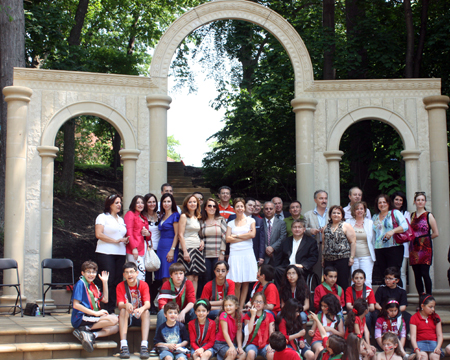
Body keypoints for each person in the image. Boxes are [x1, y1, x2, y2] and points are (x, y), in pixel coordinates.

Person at [71, 261, 119, 353]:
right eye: (88, 272)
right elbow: (76, 305)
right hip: (82, 318)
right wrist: (95, 313)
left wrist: (105, 282)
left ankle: (92, 335)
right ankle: (84, 329)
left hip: (91, 318)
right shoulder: (81, 284)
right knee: (114, 319)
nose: (91, 274)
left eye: (93, 272)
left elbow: (105, 299)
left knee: (115, 328)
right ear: (82, 273)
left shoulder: (93, 286)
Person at [95, 194, 128, 314]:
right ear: (110, 204)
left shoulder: (121, 219)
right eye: (116, 203)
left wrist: (125, 240)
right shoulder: (102, 217)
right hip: (106, 252)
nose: (119, 205)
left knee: (117, 280)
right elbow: (99, 234)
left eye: (120, 203)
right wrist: (115, 241)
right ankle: (105, 307)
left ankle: (113, 307)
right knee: (108, 280)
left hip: (120, 253)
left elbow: (121, 236)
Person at [226, 198, 257, 309]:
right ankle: (235, 305)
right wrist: (245, 236)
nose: (240, 208)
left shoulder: (251, 220)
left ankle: (240, 307)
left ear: (244, 207)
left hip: (247, 252)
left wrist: (236, 236)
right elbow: (227, 239)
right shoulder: (230, 223)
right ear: (234, 208)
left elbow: (252, 235)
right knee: (237, 283)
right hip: (235, 254)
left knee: (245, 282)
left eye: (241, 206)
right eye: (237, 206)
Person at [116, 262, 151, 359]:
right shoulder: (120, 286)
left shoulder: (143, 285)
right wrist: (125, 304)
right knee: (122, 310)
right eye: (126, 272)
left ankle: (144, 345)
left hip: (139, 315)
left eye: (131, 272)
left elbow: (148, 304)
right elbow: (119, 305)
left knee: (146, 312)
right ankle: (123, 345)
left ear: (137, 273)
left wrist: (141, 308)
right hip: (128, 317)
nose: (129, 275)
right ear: (123, 275)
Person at [372, 194, 408, 287]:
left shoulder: (395, 213)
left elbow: (405, 226)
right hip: (379, 249)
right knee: (384, 275)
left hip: (394, 248)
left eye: (384, 202)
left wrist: (393, 231)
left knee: (394, 274)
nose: (382, 204)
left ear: (388, 203)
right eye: (380, 202)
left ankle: (398, 297)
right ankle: (387, 298)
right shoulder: (375, 217)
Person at [410, 192, 439, 296]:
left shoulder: (428, 215)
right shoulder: (412, 215)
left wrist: (425, 239)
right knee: (417, 275)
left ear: (425, 202)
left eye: (422, 200)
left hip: (425, 248)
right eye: (418, 200)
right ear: (414, 202)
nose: (420, 202)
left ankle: (429, 298)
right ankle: (421, 299)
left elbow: (436, 233)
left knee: (425, 273)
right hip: (414, 248)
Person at [322, 205, 356, 291]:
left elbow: (353, 242)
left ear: (342, 215)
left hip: (342, 259)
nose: (336, 215)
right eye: (334, 213)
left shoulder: (346, 226)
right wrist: (323, 259)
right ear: (330, 215)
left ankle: (343, 303)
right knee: (328, 283)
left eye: (338, 213)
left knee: (342, 282)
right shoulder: (326, 227)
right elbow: (323, 244)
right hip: (328, 259)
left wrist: (351, 257)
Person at [369, 267, 410, 335]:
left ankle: (402, 337)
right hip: (383, 311)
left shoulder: (402, 291)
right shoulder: (381, 289)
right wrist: (384, 310)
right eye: (386, 278)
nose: (387, 280)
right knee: (374, 315)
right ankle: (379, 336)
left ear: (397, 280)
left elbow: (403, 306)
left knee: (408, 317)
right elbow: (376, 303)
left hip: (396, 311)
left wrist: (393, 311)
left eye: (390, 278)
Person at [178, 194, 205, 293]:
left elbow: (197, 233)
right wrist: (185, 251)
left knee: (195, 278)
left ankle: (193, 302)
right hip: (187, 248)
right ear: (186, 204)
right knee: (189, 277)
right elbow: (180, 235)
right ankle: (187, 301)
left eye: (194, 202)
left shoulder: (197, 216)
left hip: (196, 248)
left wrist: (201, 241)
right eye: (190, 202)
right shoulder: (184, 216)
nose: (192, 204)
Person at [156, 263, 196, 331]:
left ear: (184, 274)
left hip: (184, 314)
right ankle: (159, 339)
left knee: (194, 311)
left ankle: (194, 338)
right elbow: (162, 304)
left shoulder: (188, 283)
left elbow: (192, 302)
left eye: (181, 273)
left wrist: (183, 312)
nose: (178, 276)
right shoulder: (166, 284)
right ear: (171, 275)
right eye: (176, 274)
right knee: (161, 313)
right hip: (170, 314)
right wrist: (173, 314)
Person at [345, 201, 376, 287]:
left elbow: (373, 239)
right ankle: (355, 300)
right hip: (352, 257)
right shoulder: (348, 222)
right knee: (354, 280)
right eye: (357, 209)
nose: (359, 210)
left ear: (365, 210)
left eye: (361, 208)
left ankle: (366, 300)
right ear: (353, 211)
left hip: (367, 256)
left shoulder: (370, 223)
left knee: (367, 280)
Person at [228, 197, 265, 266]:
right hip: (235, 251)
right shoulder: (232, 218)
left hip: (252, 252)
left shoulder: (258, 221)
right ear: (245, 206)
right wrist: (227, 253)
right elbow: (228, 238)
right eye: (250, 205)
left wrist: (261, 256)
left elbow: (261, 239)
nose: (252, 207)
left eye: (254, 206)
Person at [200, 198, 227, 283]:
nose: (212, 208)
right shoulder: (201, 221)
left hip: (218, 254)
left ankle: (217, 296)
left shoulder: (221, 219)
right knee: (206, 278)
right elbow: (199, 235)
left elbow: (224, 236)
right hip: (205, 254)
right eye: (209, 206)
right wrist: (200, 240)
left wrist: (222, 252)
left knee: (218, 278)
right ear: (205, 208)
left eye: (214, 206)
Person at [308, 294, 344, 358]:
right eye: (322, 306)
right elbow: (312, 332)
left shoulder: (338, 318)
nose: (322, 308)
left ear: (332, 307)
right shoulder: (318, 316)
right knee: (320, 349)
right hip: (318, 341)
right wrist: (311, 332)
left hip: (331, 343)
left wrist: (331, 329)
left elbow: (342, 334)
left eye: (325, 306)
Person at [410, 294, 444, 360]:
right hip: (420, 343)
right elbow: (413, 336)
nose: (433, 309)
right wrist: (416, 349)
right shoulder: (414, 318)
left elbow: (439, 335)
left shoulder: (436, 317)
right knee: (423, 357)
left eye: (434, 307)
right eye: (430, 307)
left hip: (434, 343)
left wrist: (438, 347)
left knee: (435, 357)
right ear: (422, 306)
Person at [243, 292, 275, 360]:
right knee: (251, 353)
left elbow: (272, 332)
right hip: (251, 344)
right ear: (252, 303)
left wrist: (271, 344)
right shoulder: (247, 315)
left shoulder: (270, 316)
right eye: (256, 301)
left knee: (271, 354)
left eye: (261, 302)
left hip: (265, 344)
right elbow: (248, 331)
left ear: (264, 304)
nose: (258, 303)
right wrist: (253, 315)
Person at [156, 193, 180, 283]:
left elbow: (177, 234)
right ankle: (165, 295)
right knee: (163, 275)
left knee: (169, 274)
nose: (166, 203)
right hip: (161, 247)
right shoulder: (162, 216)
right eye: (164, 201)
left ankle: (172, 295)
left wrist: (172, 250)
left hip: (170, 246)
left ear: (172, 203)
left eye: (168, 201)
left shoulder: (175, 215)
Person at [304, 190, 329, 277]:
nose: (324, 201)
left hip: (329, 247)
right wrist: (310, 230)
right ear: (315, 200)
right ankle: (317, 289)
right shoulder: (308, 215)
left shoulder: (331, 213)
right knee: (316, 272)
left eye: (325, 198)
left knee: (329, 271)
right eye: (321, 198)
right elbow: (303, 229)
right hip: (315, 247)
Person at [143, 193, 161, 314]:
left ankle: (152, 299)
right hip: (146, 249)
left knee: (159, 278)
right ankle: (149, 305)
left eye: (154, 201)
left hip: (159, 249)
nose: (152, 204)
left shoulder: (160, 216)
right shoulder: (141, 216)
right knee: (148, 279)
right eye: (149, 202)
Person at [213, 295, 246, 360]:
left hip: (230, 343)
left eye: (230, 305)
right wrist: (231, 346)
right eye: (225, 305)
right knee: (232, 354)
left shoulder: (239, 316)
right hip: (220, 343)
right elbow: (225, 332)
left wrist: (239, 347)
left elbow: (239, 332)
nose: (227, 307)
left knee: (243, 354)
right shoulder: (224, 315)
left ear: (236, 306)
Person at [124, 195, 149, 281]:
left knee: (141, 273)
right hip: (134, 249)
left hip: (143, 248)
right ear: (133, 204)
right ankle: (134, 293)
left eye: (142, 203)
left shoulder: (143, 217)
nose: (140, 205)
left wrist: (147, 233)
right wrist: (133, 248)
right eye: (137, 203)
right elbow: (129, 232)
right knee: (135, 274)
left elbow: (148, 235)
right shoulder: (130, 214)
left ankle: (140, 293)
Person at [390, 191, 411, 289]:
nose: (398, 202)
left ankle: (402, 294)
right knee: (391, 271)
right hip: (390, 246)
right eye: (396, 199)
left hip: (404, 246)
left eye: (400, 200)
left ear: (403, 202)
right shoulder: (388, 213)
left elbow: (407, 229)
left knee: (402, 272)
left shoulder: (406, 214)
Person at [263, 201, 287, 267]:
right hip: (263, 255)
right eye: (266, 209)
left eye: (271, 209)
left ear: (274, 210)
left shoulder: (281, 223)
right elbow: (258, 237)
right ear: (263, 210)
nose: (268, 210)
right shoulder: (259, 222)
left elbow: (283, 237)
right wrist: (266, 248)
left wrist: (272, 248)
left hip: (276, 255)